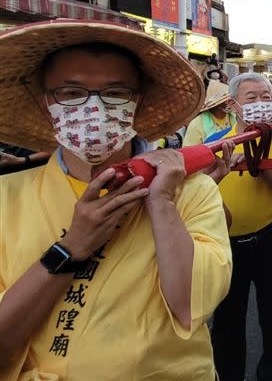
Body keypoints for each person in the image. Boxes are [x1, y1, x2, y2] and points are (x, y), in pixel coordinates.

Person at [0, 19, 232, 380]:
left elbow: (190, 307)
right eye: (71, 94)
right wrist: (70, 249)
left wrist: (162, 205)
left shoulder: (193, 191)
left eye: (116, 93)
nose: (95, 108)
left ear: (137, 103)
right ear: (47, 104)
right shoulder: (5, 198)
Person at [210, 73, 272, 381]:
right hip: (226, 243)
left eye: (266, 97)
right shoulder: (214, 143)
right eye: (252, 98)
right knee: (227, 322)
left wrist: (260, 168)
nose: (261, 103)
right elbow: (197, 191)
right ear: (233, 105)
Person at [183, 79, 237, 146]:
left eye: (230, 100)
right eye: (225, 101)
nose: (229, 103)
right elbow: (189, 151)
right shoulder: (197, 124)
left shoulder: (235, 118)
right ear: (216, 104)